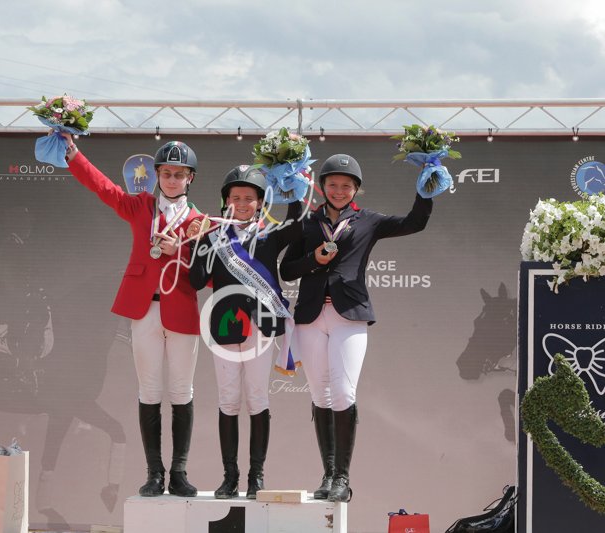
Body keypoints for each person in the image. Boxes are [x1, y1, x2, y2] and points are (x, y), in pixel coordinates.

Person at [279, 154, 433, 502]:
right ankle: (328, 475)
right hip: (310, 316)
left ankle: (342, 477)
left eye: (346, 185)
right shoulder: (306, 221)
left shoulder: (369, 221)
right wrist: (313, 260)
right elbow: (286, 270)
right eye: (332, 184)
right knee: (320, 395)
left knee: (343, 393)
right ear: (322, 187)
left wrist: (425, 193)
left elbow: (414, 223)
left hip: (349, 314)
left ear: (356, 189)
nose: (339, 190)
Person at [63, 134, 202, 498]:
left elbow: (207, 275)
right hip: (144, 309)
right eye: (166, 173)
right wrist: (74, 155)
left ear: (190, 178)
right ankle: (154, 473)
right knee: (149, 389)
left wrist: (179, 252)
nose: (172, 180)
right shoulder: (141, 206)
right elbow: (104, 189)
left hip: (181, 310)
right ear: (157, 175)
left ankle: (179, 472)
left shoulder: (201, 221)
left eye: (179, 174)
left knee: (182, 390)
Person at [188, 165, 302, 499]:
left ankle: (256, 477)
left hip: (260, 327)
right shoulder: (213, 238)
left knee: (257, 398)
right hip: (224, 326)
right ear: (226, 201)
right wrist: (196, 242)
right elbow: (196, 281)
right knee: (228, 399)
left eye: (249, 198)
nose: (241, 203)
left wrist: (292, 184)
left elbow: (297, 226)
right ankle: (230, 477)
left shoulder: (270, 235)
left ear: (260, 202)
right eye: (235, 197)